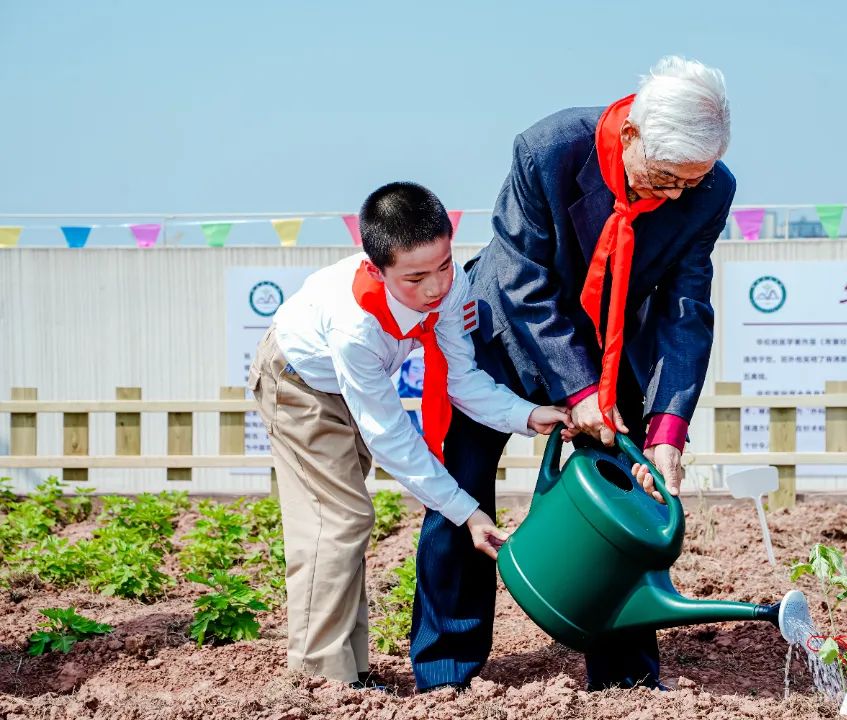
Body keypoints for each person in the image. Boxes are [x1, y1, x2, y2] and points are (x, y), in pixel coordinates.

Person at [411, 56, 736, 692]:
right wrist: (578, 390)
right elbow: (523, 281)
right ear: (634, 134)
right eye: (664, 178)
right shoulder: (549, 150)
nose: (672, 197)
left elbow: (685, 307)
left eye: (687, 186)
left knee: (630, 506)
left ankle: (628, 680)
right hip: (504, 337)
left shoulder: (711, 190)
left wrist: (668, 428)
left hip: (614, 351)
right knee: (461, 495)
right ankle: (446, 670)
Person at [246, 181, 569, 689]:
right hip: (299, 385)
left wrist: (527, 415)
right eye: (416, 277)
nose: (437, 288)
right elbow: (390, 435)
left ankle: (349, 671)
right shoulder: (356, 326)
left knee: (345, 521)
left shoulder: (451, 285)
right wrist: (465, 510)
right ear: (376, 269)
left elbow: (461, 380)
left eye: (443, 265)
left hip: (344, 388)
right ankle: (319, 681)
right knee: (337, 520)